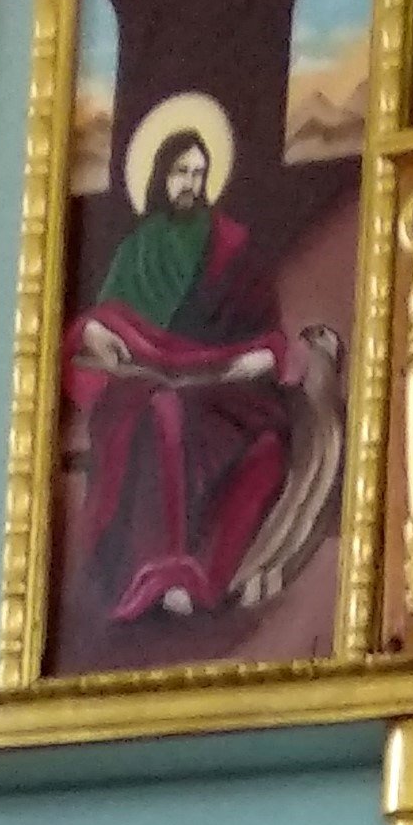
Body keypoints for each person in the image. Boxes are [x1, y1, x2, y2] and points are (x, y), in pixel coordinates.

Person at [62, 95, 305, 630]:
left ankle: (199, 576)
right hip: (149, 387)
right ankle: (159, 573)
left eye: (198, 173)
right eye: (180, 171)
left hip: (225, 393)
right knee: (162, 411)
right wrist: (102, 335)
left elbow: (265, 335)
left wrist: (251, 360)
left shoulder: (232, 247)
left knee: (261, 448)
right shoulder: (138, 250)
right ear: (159, 175)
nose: (190, 183)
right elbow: (107, 321)